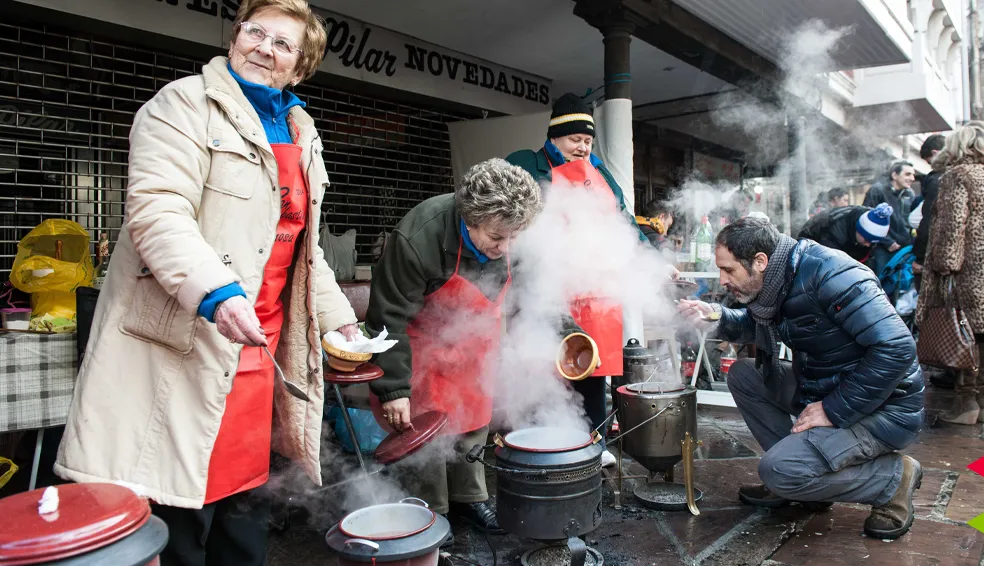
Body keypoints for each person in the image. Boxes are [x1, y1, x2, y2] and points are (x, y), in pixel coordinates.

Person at [53, 1, 360, 563]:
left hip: (259, 356)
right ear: (236, 35)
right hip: (186, 340)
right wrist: (215, 292)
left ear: (300, 66)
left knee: (244, 518)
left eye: (283, 44)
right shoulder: (182, 105)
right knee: (179, 515)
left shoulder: (301, 130)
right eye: (256, 32)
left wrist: (342, 322)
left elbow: (303, 248)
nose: (265, 48)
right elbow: (157, 211)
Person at [677, 218, 924, 539]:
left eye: (729, 270)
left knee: (777, 471)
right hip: (824, 386)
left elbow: (896, 347)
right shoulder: (778, 279)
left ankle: (892, 478)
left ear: (760, 261)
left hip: (886, 406)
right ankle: (808, 482)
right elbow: (758, 324)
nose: (723, 280)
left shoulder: (833, 275)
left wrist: (834, 409)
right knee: (744, 374)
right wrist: (716, 317)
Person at [366, 159, 543, 533]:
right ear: (471, 217)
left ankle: (469, 500)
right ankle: (430, 513)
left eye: (514, 237)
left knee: (473, 423)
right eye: (497, 238)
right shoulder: (419, 235)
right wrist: (393, 388)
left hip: (477, 343)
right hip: (422, 345)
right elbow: (387, 317)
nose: (506, 246)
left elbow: (532, 295)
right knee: (427, 428)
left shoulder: (513, 237)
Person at [507, 93, 647, 468]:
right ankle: (538, 445)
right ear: (554, 136)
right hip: (542, 287)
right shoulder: (525, 164)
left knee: (590, 365)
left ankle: (591, 444)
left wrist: (650, 258)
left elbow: (625, 223)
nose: (583, 148)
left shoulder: (601, 174)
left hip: (593, 287)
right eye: (575, 140)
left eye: (588, 141)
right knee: (542, 365)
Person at [917, 126, 984, 425]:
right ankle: (983, 400)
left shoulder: (958, 176)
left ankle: (966, 403)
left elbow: (951, 226)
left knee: (963, 334)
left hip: (965, 272)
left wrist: (944, 265)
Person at [863, 160, 917, 274]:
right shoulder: (878, 190)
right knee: (880, 285)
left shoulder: (910, 194)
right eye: (908, 174)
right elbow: (866, 219)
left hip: (904, 250)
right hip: (882, 249)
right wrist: (887, 242)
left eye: (913, 175)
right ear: (894, 175)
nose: (912, 178)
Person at [797, 203, 891, 262]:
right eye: (866, 240)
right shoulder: (834, 232)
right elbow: (831, 264)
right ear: (858, 229)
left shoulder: (871, 217)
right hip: (811, 247)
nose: (868, 245)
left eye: (872, 242)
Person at [912, 135, 946, 290]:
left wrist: (919, 258)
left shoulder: (937, 180)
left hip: (938, 255)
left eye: (928, 161)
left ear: (935, 153)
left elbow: (929, 222)